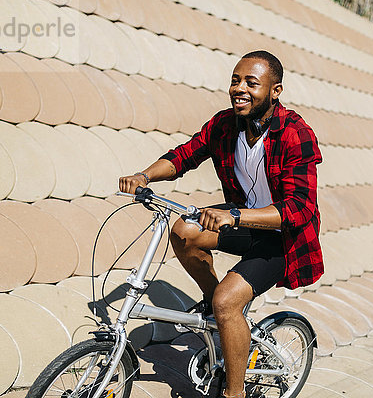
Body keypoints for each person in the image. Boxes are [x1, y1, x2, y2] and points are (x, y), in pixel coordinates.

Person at [119, 50, 323, 398]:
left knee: (228, 303)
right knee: (184, 231)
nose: (239, 88)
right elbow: (184, 155)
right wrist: (144, 175)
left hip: (281, 238)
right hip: (241, 220)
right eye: (235, 80)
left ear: (275, 91)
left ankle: (234, 392)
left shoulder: (294, 134)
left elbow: (300, 208)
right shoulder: (225, 125)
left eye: (251, 83)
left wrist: (236, 215)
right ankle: (215, 304)